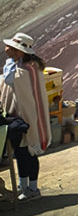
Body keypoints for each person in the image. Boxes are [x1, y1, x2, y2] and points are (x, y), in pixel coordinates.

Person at [1, 33, 50, 200]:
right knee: (22, 152)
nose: (6, 48)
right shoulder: (24, 66)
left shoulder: (25, 69)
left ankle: (31, 188)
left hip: (26, 116)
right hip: (22, 114)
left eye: (10, 47)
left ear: (18, 51)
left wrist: (9, 65)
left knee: (26, 151)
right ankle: (26, 187)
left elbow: (9, 81)